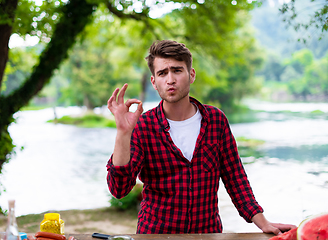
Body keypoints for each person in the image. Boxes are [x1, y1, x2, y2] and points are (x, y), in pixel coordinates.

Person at [106, 40, 296, 234]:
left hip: (207, 234)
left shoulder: (216, 120)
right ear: (154, 82)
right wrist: (123, 132)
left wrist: (263, 223)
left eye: (177, 70)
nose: (170, 79)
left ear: (191, 75)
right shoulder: (144, 126)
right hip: (156, 235)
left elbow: (235, 178)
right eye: (162, 73)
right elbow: (119, 189)